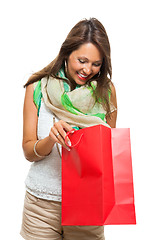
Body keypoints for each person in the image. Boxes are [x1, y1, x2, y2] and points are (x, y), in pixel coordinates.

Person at [20, 18, 117, 240]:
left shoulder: (106, 91)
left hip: (88, 206)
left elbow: (108, 154)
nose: (87, 70)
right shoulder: (38, 87)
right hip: (41, 207)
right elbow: (28, 151)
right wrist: (51, 139)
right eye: (81, 60)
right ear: (66, 53)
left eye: (96, 64)